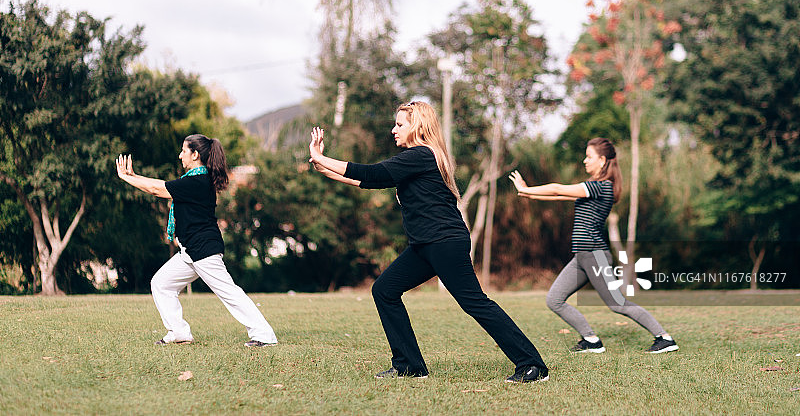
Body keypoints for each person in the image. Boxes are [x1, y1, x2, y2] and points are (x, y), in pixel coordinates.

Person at [308, 102, 548, 383]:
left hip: (444, 242)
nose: (393, 130)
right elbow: (369, 182)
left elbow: (372, 173)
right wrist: (324, 167)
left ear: (417, 126)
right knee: (385, 290)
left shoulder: (421, 155)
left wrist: (320, 157)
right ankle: (409, 366)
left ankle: (532, 365)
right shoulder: (414, 160)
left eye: (399, 124)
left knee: (475, 303)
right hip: (424, 245)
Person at [509, 137, 678, 354]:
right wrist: (527, 193)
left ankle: (664, 338)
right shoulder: (593, 188)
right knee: (555, 300)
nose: (584, 161)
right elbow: (559, 195)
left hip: (595, 255)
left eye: (589, 157)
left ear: (602, 160)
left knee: (617, 303)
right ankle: (591, 341)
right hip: (582, 256)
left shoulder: (601, 187)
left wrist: (530, 189)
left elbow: (558, 188)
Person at [115, 134, 278, 347]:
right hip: (191, 251)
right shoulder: (195, 180)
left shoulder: (197, 181)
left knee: (229, 293)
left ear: (195, 155)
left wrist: (128, 177)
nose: (180, 155)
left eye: (184, 151)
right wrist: (134, 176)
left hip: (204, 251)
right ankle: (179, 333)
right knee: (161, 284)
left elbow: (157, 189)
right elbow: (159, 188)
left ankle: (265, 336)